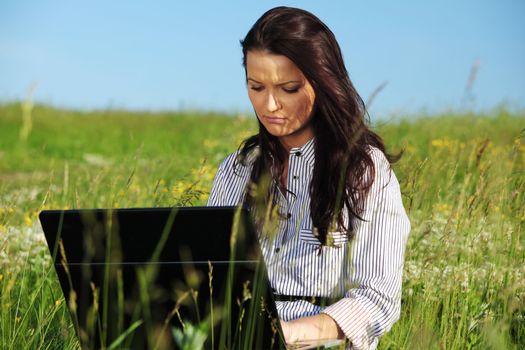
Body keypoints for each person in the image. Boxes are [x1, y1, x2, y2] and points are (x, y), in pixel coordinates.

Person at [207, 6, 410, 350]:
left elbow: (378, 299)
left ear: (323, 82)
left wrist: (287, 334)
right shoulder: (236, 169)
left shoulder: (366, 171)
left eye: (288, 88)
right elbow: (210, 275)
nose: (269, 105)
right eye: (256, 86)